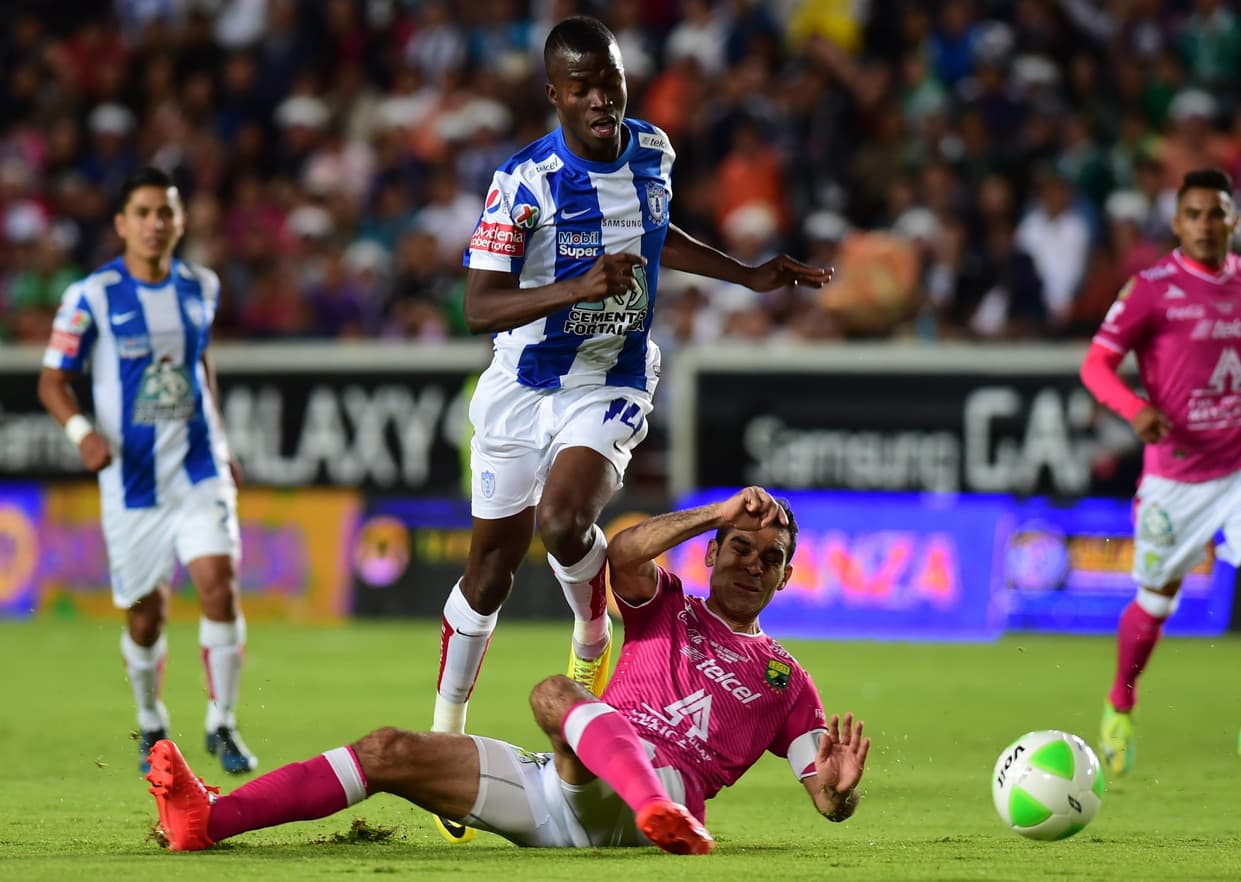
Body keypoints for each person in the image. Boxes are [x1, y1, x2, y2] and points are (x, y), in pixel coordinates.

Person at [431, 14, 832, 841]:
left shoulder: (653, 152)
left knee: (564, 520)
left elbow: (657, 239)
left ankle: (590, 623)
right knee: (489, 575)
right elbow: (477, 306)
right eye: (582, 88)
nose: (601, 100)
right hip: (524, 380)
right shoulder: (524, 181)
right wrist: (574, 287)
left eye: (610, 83)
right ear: (556, 95)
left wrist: (746, 276)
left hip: (608, 376)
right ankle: (447, 733)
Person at [143, 487, 871, 854]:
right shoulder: (669, 604)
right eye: (739, 547)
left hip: (659, 782)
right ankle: (208, 820)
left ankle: (659, 809)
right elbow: (621, 554)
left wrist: (839, 796)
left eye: (768, 558)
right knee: (387, 750)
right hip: (566, 791)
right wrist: (716, 512)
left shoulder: (787, 680)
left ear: (785, 579)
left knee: (555, 692)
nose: (751, 563)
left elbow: (824, 797)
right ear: (710, 554)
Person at [37, 166, 256, 775]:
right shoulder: (91, 296)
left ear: (180, 222)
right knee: (145, 613)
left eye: (166, 213)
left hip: (197, 467)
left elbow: (200, 364)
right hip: (132, 481)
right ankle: (152, 717)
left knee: (220, 587)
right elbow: (52, 380)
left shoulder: (201, 286)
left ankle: (223, 723)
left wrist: (222, 442)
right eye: (143, 213)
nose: (155, 224)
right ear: (121, 224)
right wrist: (83, 435)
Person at [1080, 168, 1241, 778]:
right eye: (1193, 214)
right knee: (1155, 600)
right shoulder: (1150, 289)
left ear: (1233, 220)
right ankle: (1120, 702)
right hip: (1178, 478)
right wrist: (1134, 408)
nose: (1205, 225)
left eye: (1216, 213)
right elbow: (1096, 366)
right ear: (1176, 223)